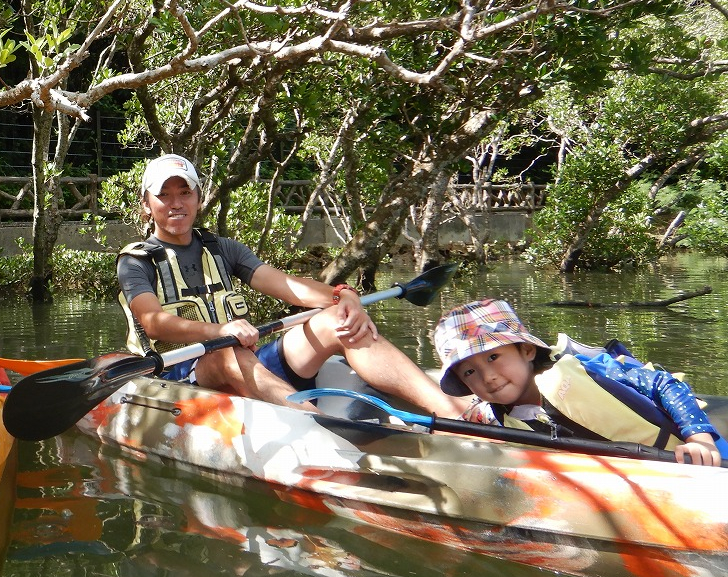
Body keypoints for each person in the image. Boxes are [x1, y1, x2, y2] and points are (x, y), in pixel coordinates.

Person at [117, 153, 470, 417]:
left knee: (338, 319)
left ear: (198, 198)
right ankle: (318, 428)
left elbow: (288, 286)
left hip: (243, 361)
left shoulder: (223, 248)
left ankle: (451, 412)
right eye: (164, 195)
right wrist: (219, 330)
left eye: (185, 192)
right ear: (148, 205)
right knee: (226, 350)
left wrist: (342, 295)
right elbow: (153, 321)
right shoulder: (136, 261)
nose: (176, 203)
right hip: (178, 380)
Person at [434, 298, 727, 466]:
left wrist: (699, 439)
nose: (488, 377)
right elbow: (471, 421)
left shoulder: (583, 370)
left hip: (700, 459)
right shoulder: (497, 417)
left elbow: (663, 384)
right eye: (469, 373)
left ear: (526, 349)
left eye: (493, 357)